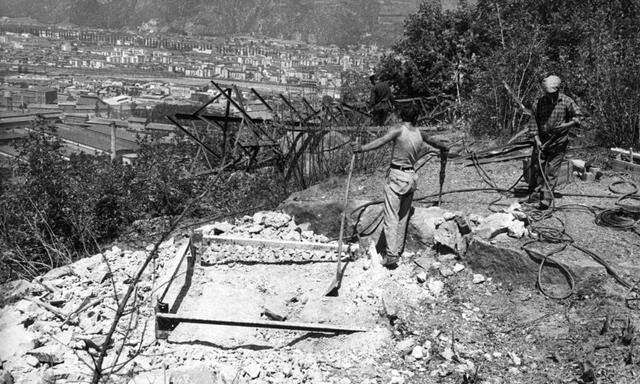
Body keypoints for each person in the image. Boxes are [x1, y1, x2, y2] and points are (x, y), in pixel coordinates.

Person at [352, 103, 449, 268]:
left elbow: (381, 141)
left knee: (391, 217)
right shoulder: (420, 133)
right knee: (403, 218)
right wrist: (444, 148)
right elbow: (436, 142)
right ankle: (397, 251)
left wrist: (361, 148)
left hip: (397, 177)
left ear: (401, 117)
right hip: (411, 177)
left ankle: (391, 255)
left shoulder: (398, 130)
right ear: (416, 117)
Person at [525, 75, 583, 209]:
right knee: (537, 167)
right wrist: (537, 140)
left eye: (552, 93)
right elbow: (533, 123)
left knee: (551, 170)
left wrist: (566, 126)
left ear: (558, 90)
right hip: (542, 142)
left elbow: (578, 117)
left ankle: (546, 199)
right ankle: (535, 195)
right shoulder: (538, 103)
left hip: (558, 142)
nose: (549, 96)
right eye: (547, 93)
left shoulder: (567, 101)